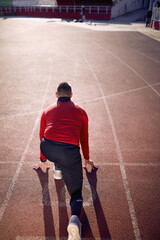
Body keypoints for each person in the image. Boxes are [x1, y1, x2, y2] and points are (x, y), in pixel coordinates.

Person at [33, 82, 97, 240]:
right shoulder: (81, 112)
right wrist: (86, 159)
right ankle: (75, 221)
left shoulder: (47, 110)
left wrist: (42, 159)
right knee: (76, 194)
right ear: (71, 95)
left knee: (55, 150)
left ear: (56, 95)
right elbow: (83, 138)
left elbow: (42, 135)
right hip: (69, 153)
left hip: (48, 148)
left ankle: (57, 169)